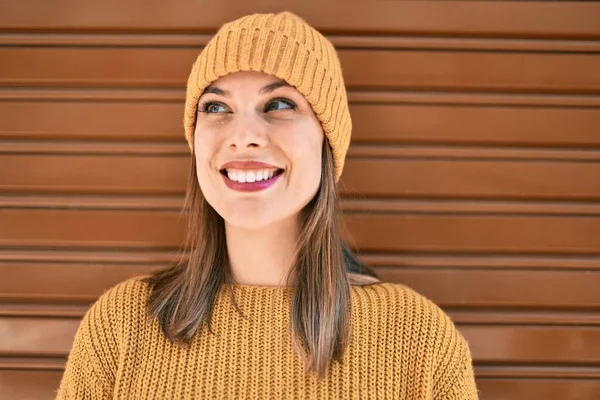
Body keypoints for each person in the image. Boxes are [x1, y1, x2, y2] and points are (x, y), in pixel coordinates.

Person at [56, 11, 478, 399]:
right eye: (216, 106)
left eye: (279, 104)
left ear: (327, 144)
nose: (243, 135)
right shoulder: (121, 325)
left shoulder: (416, 339)